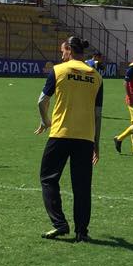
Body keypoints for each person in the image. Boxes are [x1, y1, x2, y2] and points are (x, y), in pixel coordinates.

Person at [36, 36, 103, 241]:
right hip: (85, 137)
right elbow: (98, 113)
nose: (61, 55)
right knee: (82, 186)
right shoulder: (96, 76)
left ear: (69, 51)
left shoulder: (59, 71)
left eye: (63, 51)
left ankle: (59, 223)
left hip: (61, 134)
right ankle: (82, 232)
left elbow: (41, 101)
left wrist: (45, 121)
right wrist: (96, 144)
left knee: (48, 178)